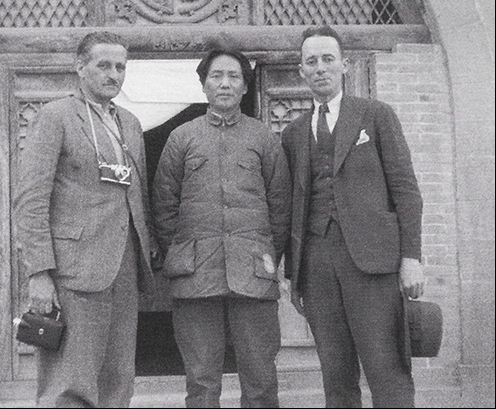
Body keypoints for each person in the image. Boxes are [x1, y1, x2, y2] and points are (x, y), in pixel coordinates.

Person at [281, 25, 425, 408]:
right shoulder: (294, 133)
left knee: (386, 369)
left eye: (328, 59)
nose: (320, 68)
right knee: (336, 374)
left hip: (372, 263)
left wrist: (411, 258)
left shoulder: (376, 116)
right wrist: (295, 274)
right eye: (311, 61)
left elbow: (406, 190)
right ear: (301, 71)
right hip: (316, 265)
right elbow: (294, 203)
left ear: (344, 65)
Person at [14, 31, 157, 408]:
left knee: (117, 379)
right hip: (73, 271)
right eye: (104, 65)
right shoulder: (55, 116)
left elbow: (135, 195)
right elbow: (31, 200)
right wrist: (39, 273)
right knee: (70, 383)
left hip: (123, 268)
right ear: (80, 67)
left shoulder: (130, 123)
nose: (114, 74)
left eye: (120, 67)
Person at [152, 48, 292, 408]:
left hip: (253, 275)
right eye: (216, 76)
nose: (225, 83)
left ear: (245, 86)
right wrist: (183, 252)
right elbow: (163, 205)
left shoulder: (263, 138)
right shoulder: (181, 138)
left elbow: (280, 206)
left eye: (233, 76)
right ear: (204, 85)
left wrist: (263, 254)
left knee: (260, 379)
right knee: (201, 381)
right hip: (196, 276)